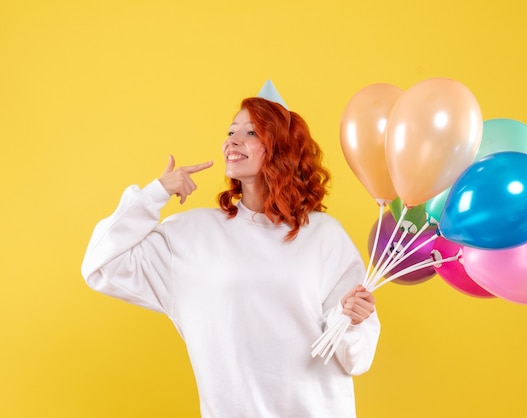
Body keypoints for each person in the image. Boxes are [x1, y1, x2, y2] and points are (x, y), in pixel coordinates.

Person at [81, 96, 381, 417]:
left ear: (280, 148)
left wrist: (353, 321)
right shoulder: (190, 235)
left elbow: (357, 360)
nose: (232, 141)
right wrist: (155, 192)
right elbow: (100, 264)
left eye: (251, 133)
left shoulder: (325, 236)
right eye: (230, 132)